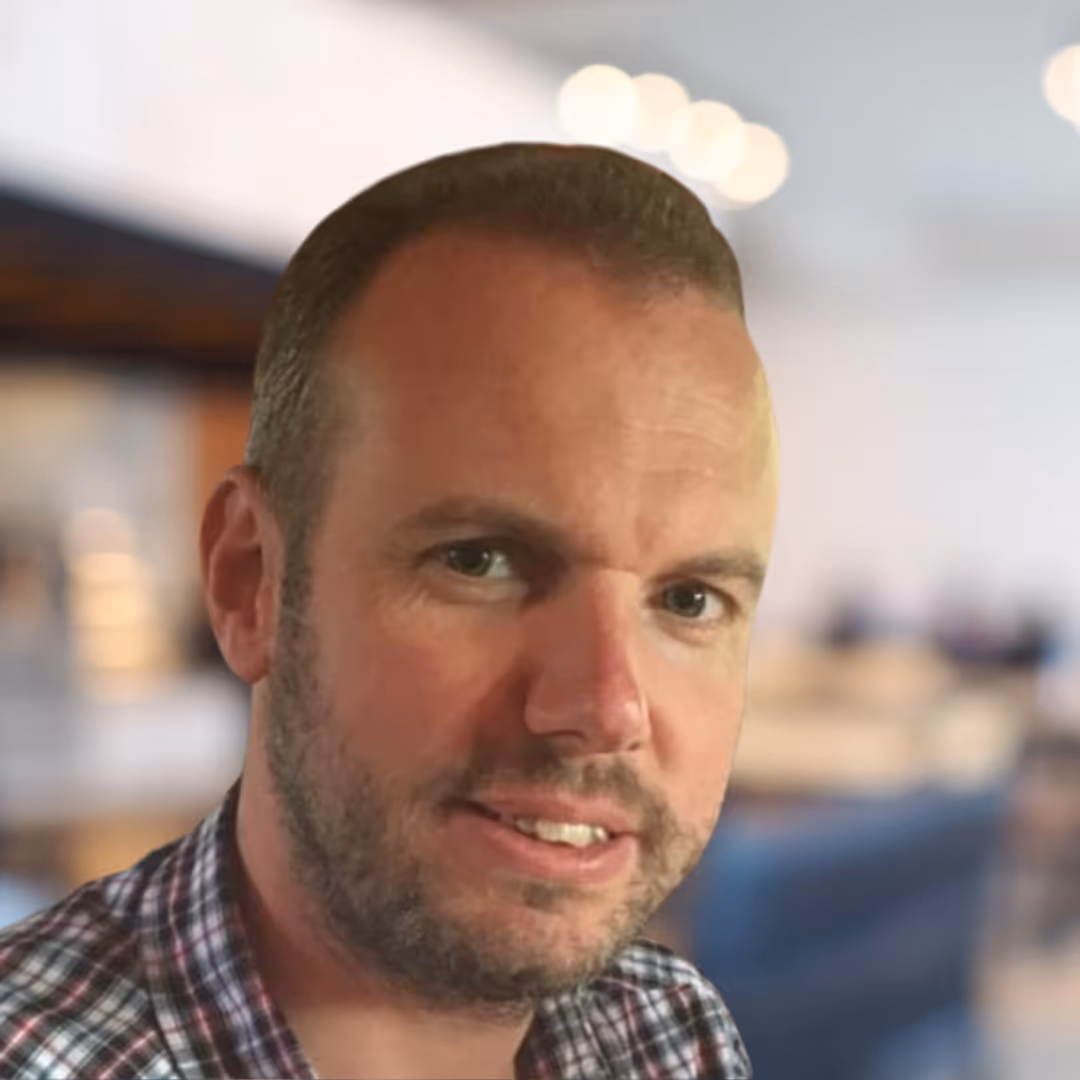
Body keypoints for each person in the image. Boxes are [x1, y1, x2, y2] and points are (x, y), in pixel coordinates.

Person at [0, 142, 778, 1079]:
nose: (607, 707)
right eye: (480, 561)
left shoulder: (666, 1032)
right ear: (251, 581)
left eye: (690, 600)